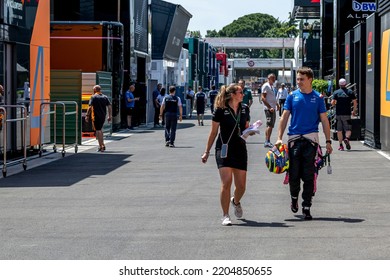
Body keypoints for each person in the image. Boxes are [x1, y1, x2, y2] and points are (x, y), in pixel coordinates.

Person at [275, 67, 333, 220]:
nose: (298, 82)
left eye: (301, 79)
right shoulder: (292, 96)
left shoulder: (318, 98)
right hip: (294, 141)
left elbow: (325, 120)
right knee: (294, 175)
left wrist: (328, 141)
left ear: (310, 80)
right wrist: (279, 138)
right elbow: (284, 117)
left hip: (311, 142)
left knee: (309, 175)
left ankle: (306, 206)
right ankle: (294, 198)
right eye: (298, 79)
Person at [201, 83, 250, 226]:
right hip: (224, 148)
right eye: (240, 92)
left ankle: (235, 201)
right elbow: (213, 132)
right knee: (226, 182)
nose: (243, 94)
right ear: (233, 94)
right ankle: (225, 215)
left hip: (240, 148)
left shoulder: (245, 108)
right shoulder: (220, 110)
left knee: (241, 186)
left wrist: (251, 130)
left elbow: (245, 127)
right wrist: (206, 152)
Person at [331, 78, 358, 151]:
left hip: (338, 114)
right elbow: (355, 102)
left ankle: (341, 146)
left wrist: (334, 104)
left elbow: (332, 102)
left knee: (339, 130)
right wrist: (354, 110)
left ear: (339, 84)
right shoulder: (350, 92)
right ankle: (347, 138)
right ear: (345, 84)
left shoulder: (336, 92)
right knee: (348, 129)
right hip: (347, 114)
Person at [85, 85, 112, 152]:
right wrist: (110, 115)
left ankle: (101, 146)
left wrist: (87, 115)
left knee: (98, 130)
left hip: (96, 116)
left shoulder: (93, 97)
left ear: (94, 90)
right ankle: (102, 144)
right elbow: (109, 106)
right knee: (100, 130)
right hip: (103, 116)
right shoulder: (105, 97)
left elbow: (90, 107)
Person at [261, 73, 279, 148]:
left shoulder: (271, 86)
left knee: (270, 125)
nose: (274, 79)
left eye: (274, 78)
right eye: (272, 78)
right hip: (269, 109)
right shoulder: (266, 86)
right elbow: (263, 98)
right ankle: (267, 141)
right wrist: (269, 107)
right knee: (270, 125)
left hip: (273, 108)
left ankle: (267, 140)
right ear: (268, 78)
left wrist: (277, 104)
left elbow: (272, 97)